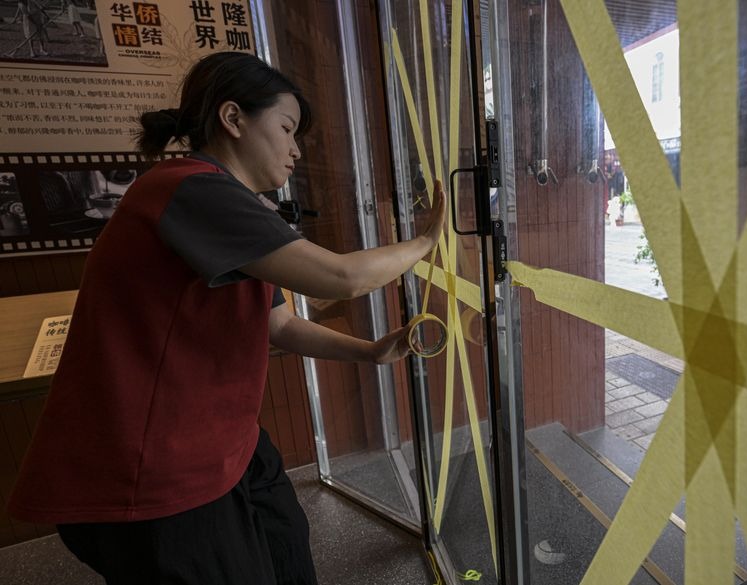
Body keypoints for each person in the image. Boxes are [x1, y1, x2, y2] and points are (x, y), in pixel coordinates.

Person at [7, 51, 446, 585]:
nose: (296, 150)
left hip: (224, 439)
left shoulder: (235, 208)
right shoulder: (190, 188)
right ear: (233, 118)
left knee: (288, 552)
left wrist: (371, 350)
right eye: (286, 128)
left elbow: (278, 326)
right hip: (155, 469)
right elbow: (342, 278)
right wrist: (425, 241)